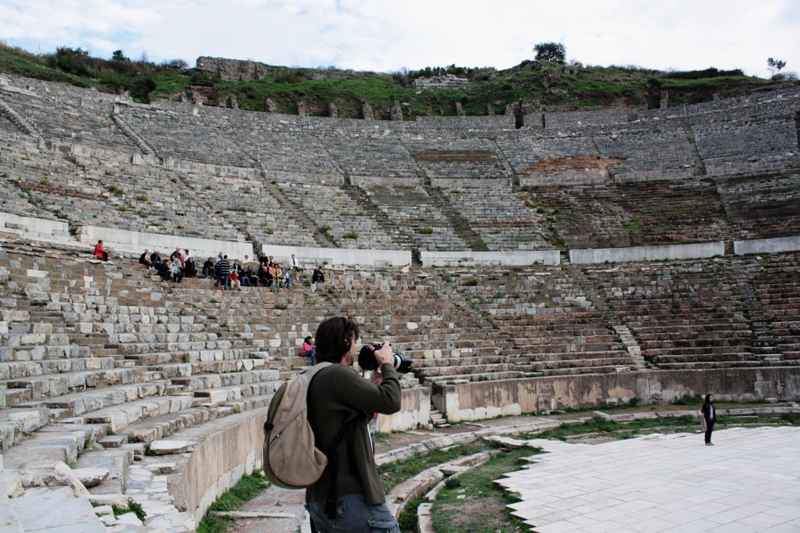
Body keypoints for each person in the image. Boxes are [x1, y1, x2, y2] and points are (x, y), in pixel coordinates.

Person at [305, 317, 401, 533]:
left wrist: (374, 388)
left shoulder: (316, 375)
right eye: (354, 342)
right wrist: (387, 364)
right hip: (348, 498)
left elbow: (345, 423)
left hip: (320, 498)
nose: (356, 348)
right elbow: (392, 401)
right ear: (346, 343)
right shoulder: (338, 375)